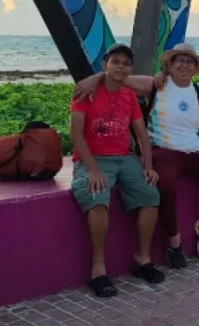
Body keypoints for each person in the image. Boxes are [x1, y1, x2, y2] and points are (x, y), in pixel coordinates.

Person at [73, 44, 199, 265]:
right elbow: (117, 77)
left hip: (196, 152)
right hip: (164, 151)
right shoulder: (154, 85)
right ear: (169, 66)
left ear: (195, 68)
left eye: (189, 61)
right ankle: (174, 240)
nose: (184, 65)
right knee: (166, 185)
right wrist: (94, 78)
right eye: (179, 60)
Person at [69, 43, 164, 298]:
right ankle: (98, 268)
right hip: (93, 158)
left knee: (150, 196)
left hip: (124, 158)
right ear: (105, 65)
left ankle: (142, 259)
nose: (121, 66)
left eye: (126, 63)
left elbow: (142, 135)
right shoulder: (86, 93)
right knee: (97, 198)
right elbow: (76, 136)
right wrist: (93, 169)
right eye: (116, 61)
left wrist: (148, 166)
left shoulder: (129, 95)